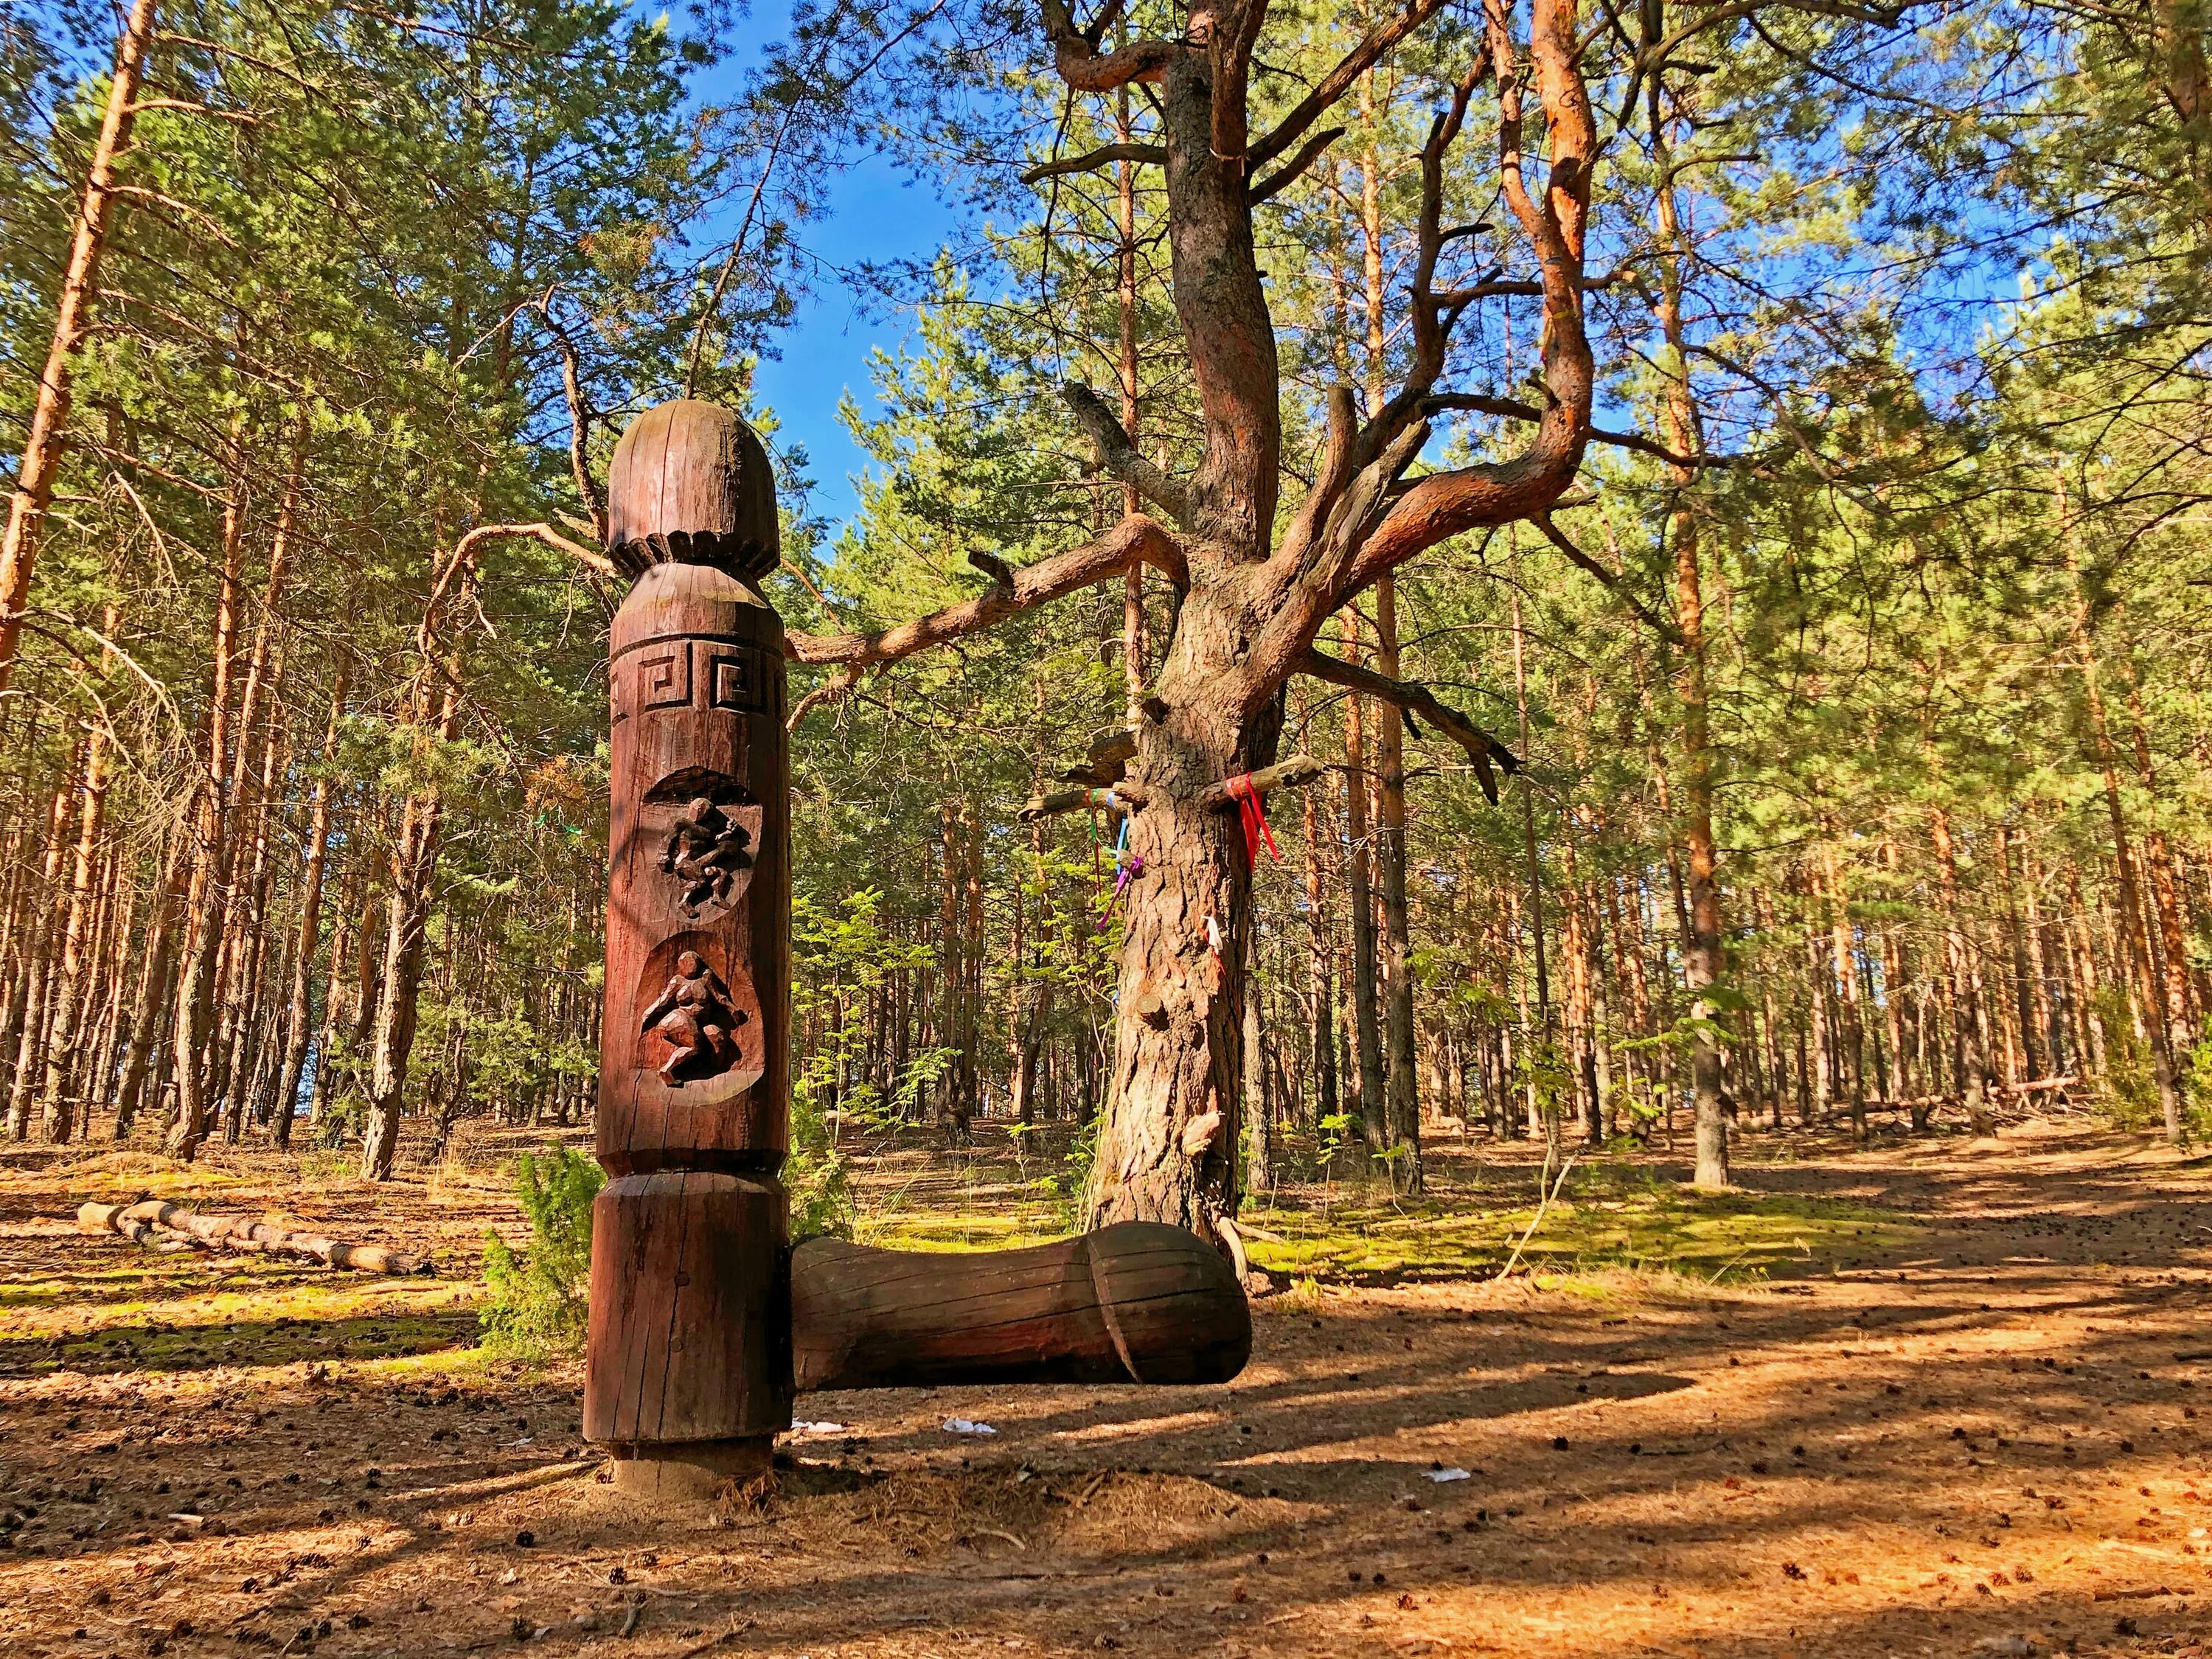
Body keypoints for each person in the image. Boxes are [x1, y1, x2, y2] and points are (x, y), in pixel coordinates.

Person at [638, 950, 741, 1082]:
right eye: (685, 963)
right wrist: (648, 1013)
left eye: (692, 963)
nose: (689, 966)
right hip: (679, 1019)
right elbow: (662, 1001)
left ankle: (713, 1073)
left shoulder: (706, 978)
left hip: (701, 1022)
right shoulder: (677, 981)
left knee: (718, 1037)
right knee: (693, 1046)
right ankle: (666, 1070)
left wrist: (733, 1009)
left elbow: (718, 997)